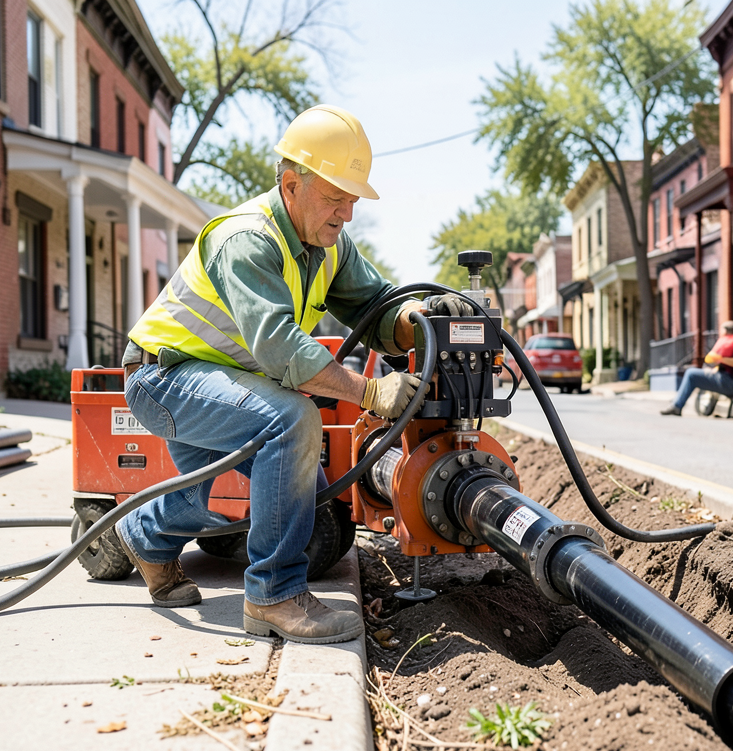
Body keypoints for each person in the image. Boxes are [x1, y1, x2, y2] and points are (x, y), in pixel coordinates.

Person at [116, 105, 469, 644]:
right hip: (162, 378)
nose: (347, 213)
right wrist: (371, 391)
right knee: (293, 419)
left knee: (198, 500)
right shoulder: (247, 240)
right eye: (336, 197)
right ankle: (273, 595)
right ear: (290, 184)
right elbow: (279, 347)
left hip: (218, 378)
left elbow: (376, 309)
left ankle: (141, 536)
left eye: (353, 200)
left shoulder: (328, 245)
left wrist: (425, 323)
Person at [661, 320, 733, 416]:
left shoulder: (729, 340)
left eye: (720, 329)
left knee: (691, 374)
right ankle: (677, 402)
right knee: (694, 374)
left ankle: (677, 405)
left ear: (725, 331)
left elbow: (711, 358)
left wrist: (720, 360)